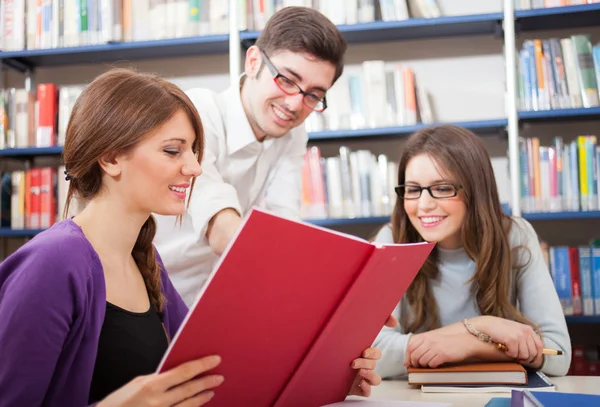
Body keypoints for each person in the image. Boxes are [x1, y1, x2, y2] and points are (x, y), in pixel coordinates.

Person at [0, 68, 383, 406]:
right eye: (173, 151)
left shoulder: (145, 261)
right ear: (111, 158)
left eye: (195, 151)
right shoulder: (53, 263)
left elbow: (212, 379)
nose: (195, 167)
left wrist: (327, 374)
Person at [153, 6, 348, 306]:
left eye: (313, 95)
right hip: (152, 293)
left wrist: (344, 293)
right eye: (286, 79)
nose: (296, 105)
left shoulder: (292, 134)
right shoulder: (197, 110)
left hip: (215, 296)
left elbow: (285, 225)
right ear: (254, 61)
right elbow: (220, 227)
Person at [372, 125, 572, 379]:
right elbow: (372, 354)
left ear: (475, 191)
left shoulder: (515, 235)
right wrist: (479, 328)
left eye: (443, 188)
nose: (423, 205)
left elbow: (558, 353)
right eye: (413, 190)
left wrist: (469, 344)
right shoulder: (392, 238)